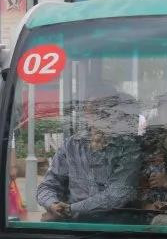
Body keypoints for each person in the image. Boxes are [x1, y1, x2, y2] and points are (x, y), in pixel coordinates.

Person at [37, 84, 140, 221]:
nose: (100, 112)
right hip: (75, 223)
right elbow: (48, 186)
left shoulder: (127, 147)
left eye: (106, 106)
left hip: (115, 224)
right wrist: (53, 204)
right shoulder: (71, 145)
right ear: (86, 112)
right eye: (94, 107)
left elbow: (117, 194)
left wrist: (71, 209)